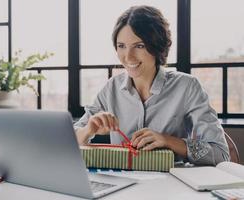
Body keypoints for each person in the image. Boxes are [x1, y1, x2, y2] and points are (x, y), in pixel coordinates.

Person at [74, 5, 230, 166]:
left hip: (172, 185)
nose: (128, 57)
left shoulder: (187, 87)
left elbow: (220, 154)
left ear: (157, 46)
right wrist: (88, 130)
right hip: (123, 185)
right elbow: (70, 141)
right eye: (121, 46)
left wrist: (168, 141)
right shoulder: (111, 88)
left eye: (139, 46)